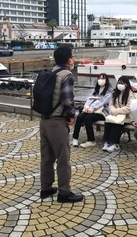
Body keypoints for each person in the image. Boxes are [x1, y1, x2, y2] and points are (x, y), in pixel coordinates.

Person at [39, 45, 84, 203]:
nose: (73, 58)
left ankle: (46, 188)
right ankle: (64, 192)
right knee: (63, 158)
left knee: (47, 157)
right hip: (57, 123)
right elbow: (67, 100)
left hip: (44, 121)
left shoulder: (50, 72)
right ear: (68, 59)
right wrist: (72, 116)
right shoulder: (67, 75)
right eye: (72, 56)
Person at [72, 73, 113, 148]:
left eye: (103, 79)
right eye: (99, 78)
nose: (101, 80)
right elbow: (90, 98)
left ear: (106, 80)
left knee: (88, 118)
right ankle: (75, 138)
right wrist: (87, 106)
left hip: (103, 112)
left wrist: (92, 108)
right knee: (80, 116)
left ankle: (91, 140)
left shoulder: (109, 91)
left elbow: (102, 102)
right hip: (92, 110)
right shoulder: (96, 89)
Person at [102, 76, 135, 153]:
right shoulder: (115, 93)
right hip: (115, 115)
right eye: (119, 83)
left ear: (126, 84)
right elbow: (111, 104)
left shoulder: (130, 94)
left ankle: (114, 144)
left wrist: (117, 111)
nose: (120, 85)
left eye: (122, 83)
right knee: (108, 122)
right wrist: (113, 110)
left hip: (126, 117)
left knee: (117, 124)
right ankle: (107, 142)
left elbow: (129, 108)